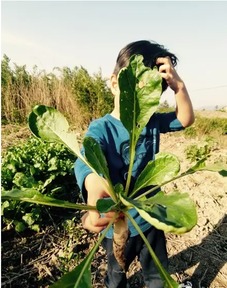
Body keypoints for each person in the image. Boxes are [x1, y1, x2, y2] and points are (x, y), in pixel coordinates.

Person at [74, 40, 194, 288]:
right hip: (116, 224)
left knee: (157, 274)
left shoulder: (150, 121)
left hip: (150, 217)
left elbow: (185, 118)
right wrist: (95, 187)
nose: (139, 102)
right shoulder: (102, 128)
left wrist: (178, 86)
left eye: (150, 94)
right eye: (134, 90)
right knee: (116, 275)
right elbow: (87, 158)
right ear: (115, 83)